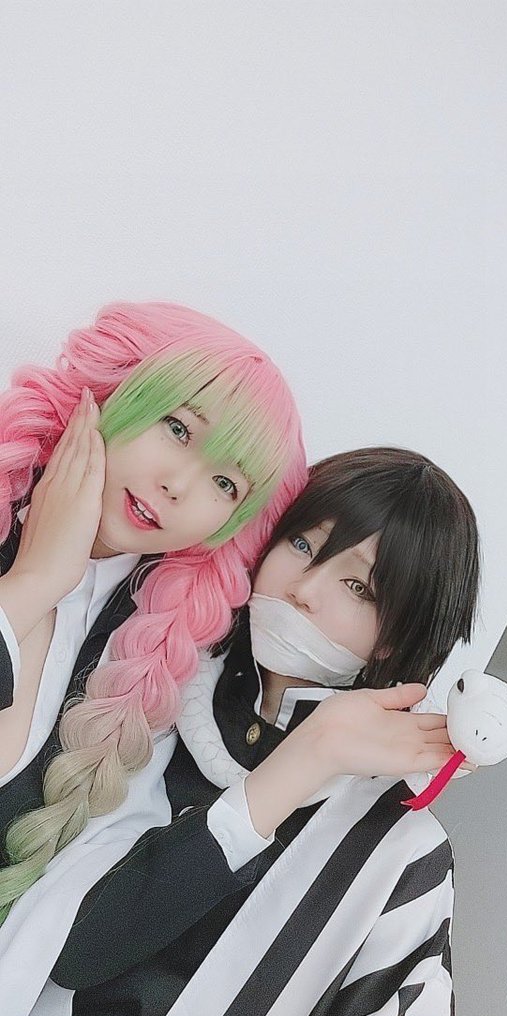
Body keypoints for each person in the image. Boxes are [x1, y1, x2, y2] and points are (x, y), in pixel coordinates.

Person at [0, 446, 480, 1016]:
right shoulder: (148, 693)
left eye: (357, 585)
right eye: (303, 545)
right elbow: (75, 946)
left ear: (395, 638)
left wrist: (315, 764)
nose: (304, 590)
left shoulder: (392, 848)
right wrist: (293, 769)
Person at [0, 299, 307, 929]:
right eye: (179, 428)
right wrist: (36, 581)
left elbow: (91, 941)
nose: (179, 485)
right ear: (113, 391)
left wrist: (313, 759)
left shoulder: (153, 656)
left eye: (226, 484)